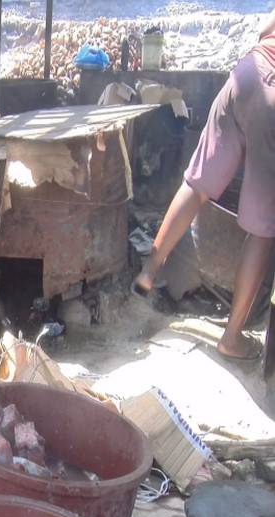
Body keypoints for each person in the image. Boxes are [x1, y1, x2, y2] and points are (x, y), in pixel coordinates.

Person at [133, 11, 275, 362]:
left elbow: (264, 30)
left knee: (197, 183)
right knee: (262, 230)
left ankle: (150, 269)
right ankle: (231, 337)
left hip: (247, 73)